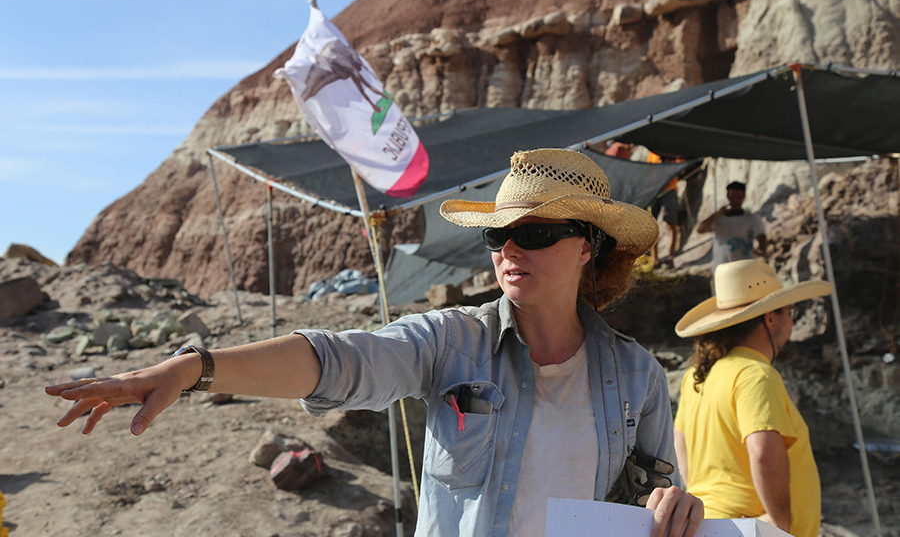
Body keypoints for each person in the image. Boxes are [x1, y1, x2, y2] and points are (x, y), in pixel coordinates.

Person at [47, 148, 703, 537]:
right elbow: (339, 360)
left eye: (532, 235)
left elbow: (643, 505)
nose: (508, 250)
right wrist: (198, 367)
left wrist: (675, 510)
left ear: (587, 246)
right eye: (496, 236)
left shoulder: (636, 375)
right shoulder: (452, 342)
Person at [673, 259, 833, 537]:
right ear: (770, 318)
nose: (792, 321)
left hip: (707, 524)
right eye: (789, 312)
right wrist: (778, 522)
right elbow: (762, 450)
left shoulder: (698, 376)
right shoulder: (756, 374)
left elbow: (680, 443)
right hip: (748, 528)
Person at [697, 181, 767, 281]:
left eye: (738, 197)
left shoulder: (751, 218)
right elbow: (700, 230)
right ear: (728, 197)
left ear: (743, 197)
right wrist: (716, 215)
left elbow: (761, 235)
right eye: (732, 197)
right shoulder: (719, 218)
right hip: (722, 271)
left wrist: (762, 248)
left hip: (746, 269)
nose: (735, 201)